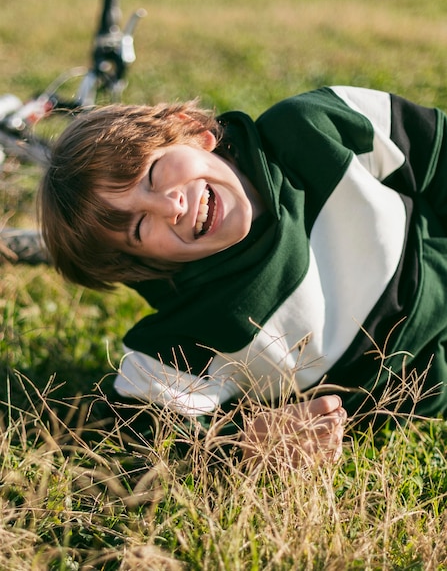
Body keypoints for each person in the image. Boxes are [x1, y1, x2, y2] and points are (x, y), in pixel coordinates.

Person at [39, 85, 447, 465]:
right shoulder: (193, 331)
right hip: (428, 387)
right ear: (148, 265)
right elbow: (134, 434)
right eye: (140, 227)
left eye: (153, 173)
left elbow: (436, 151)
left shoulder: (312, 126)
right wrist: (247, 441)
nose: (171, 206)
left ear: (192, 130)